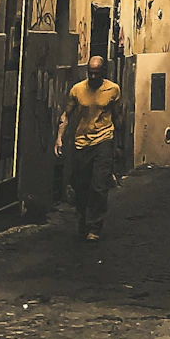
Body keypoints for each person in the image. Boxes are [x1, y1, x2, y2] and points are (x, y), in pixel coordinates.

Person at [56, 55, 121, 243]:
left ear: (103, 73)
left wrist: (119, 145)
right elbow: (66, 114)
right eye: (90, 73)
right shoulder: (77, 90)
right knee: (81, 186)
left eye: (96, 73)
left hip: (104, 140)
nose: (93, 77)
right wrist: (59, 138)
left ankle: (95, 226)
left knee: (99, 186)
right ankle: (84, 216)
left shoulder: (113, 89)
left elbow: (117, 116)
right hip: (81, 143)